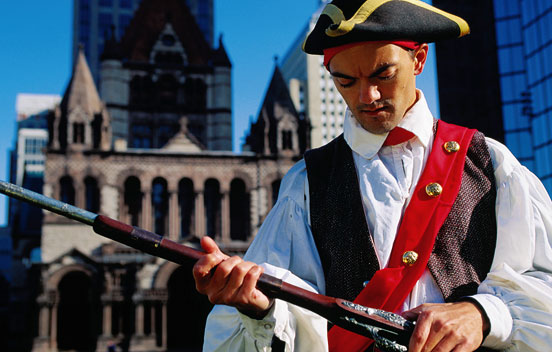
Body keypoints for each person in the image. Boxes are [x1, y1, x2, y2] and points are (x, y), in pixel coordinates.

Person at [193, 0, 552, 351]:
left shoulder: (490, 161)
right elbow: (286, 310)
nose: (367, 96)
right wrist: (260, 305)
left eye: (384, 75)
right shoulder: (306, 181)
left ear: (420, 59)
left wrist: (484, 314)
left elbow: (543, 284)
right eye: (345, 81)